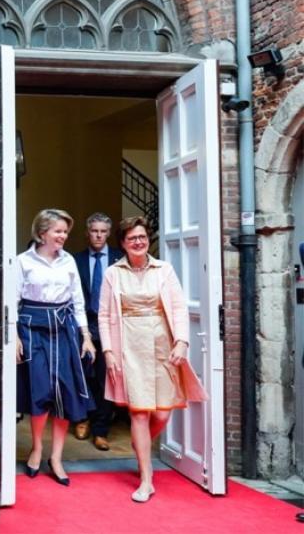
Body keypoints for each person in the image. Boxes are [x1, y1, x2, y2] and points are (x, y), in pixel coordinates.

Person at [99, 216, 207, 503]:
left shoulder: (164, 270)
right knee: (139, 412)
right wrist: (109, 352)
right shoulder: (113, 273)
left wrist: (182, 342)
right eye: (132, 238)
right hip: (129, 346)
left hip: (162, 345)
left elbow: (179, 308)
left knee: (161, 413)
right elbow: (105, 315)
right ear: (122, 243)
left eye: (142, 237)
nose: (139, 242)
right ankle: (146, 479)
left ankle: (141, 443)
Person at [16, 208, 95, 487]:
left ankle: (57, 458)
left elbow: (78, 300)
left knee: (65, 393)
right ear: (42, 233)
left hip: (64, 329)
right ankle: (37, 449)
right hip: (32, 330)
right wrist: (13, 336)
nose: (63, 236)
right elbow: (12, 300)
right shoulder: (23, 261)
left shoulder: (69, 261)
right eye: (58, 231)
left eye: (65, 232)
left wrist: (85, 335)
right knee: (40, 393)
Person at [72, 213, 123, 450]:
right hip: (83, 324)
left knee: (106, 376)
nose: (99, 235)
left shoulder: (119, 259)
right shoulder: (75, 260)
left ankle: (101, 429)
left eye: (103, 231)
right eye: (95, 231)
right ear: (87, 232)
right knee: (82, 374)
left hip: (110, 325)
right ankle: (82, 418)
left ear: (108, 233)